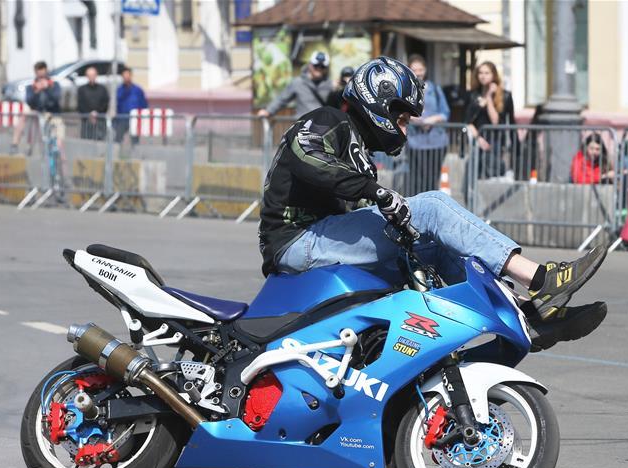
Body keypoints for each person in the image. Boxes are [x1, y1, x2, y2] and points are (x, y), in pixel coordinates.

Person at [258, 57, 608, 351]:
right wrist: (375, 192)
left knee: (437, 249)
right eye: (402, 118)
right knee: (434, 207)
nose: (405, 129)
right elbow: (308, 157)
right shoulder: (327, 120)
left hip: (320, 240)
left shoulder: (359, 148)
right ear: (380, 101)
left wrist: (384, 206)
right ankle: (542, 277)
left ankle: (526, 314)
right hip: (295, 238)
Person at [404, 54, 450, 195]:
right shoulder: (406, 90)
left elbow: (445, 112)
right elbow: (400, 112)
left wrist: (432, 120)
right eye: (414, 69)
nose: (418, 73)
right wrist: (412, 118)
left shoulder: (435, 89)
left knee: (432, 179)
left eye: (421, 69)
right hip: (415, 141)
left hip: (436, 141)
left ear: (425, 70)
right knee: (417, 179)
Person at [464, 61, 515, 179]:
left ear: (494, 75)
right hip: (477, 140)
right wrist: (478, 139)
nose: (483, 76)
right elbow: (467, 121)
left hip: (495, 141)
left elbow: (495, 121)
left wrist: (489, 98)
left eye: (487, 73)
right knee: (473, 173)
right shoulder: (472, 95)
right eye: (480, 73)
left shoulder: (505, 96)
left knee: (492, 174)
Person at [258, 51, 333, 119]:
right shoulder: (298, 82)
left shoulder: (331, 85)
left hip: (324, 128)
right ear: (310, 65)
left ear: (326, 68)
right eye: (316, 65)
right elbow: (282, 98)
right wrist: (268, 111)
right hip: (303, 128)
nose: (319, 69)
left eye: (323, 66)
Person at [12, 61, 62, 152]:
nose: (41, 76)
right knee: (24, 115)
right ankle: (15, 144)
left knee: (58, 136)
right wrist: (37, 91)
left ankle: (60, 154)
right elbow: (29, 102)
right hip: (37, 113)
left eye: (43, 72)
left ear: (46, 71)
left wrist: (47, 88)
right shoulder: (31, 87)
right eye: (39, 73)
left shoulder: (55, 85)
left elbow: (56, 99)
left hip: (52, 113)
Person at [115, 67, 148, 144]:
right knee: (118, 138)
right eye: (124, 76)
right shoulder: (120, 90)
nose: (126, 78)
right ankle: (117, 154)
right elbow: (118, 104)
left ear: (130, 76)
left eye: (127, 75)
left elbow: (143, 104)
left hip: (135, 118)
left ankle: (135, 154)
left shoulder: (138, 90)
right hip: (122, 117)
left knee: (135, 140)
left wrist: (142, 116)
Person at [77, 66, 109, 141]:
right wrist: (89, 114)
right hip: (86, 121)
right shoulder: (82, 89)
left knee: (100, 142)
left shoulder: (102, 89)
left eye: (93, 75)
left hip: (100, 121)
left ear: (96, 75)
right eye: (89, 75)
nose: (91, 77)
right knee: (87, 142)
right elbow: (80, 104)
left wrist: (96, 113)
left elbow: (105, 103)